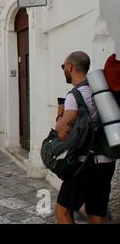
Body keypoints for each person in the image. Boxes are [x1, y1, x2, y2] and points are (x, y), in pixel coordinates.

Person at [54, 51, 116, 224]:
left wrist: (60, 115)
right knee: (96, 213)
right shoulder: (101, 92)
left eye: (63, 67)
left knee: (62, 212)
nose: (64, 70)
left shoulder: (74, 96)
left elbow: (62, 133)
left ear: (70, 67)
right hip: (107, 162)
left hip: (84, 164)